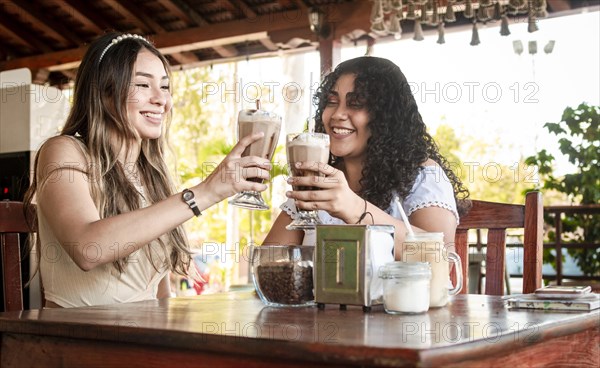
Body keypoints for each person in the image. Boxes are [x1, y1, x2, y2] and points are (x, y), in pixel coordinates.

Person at [23, 32, 271, 308]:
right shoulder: (64, 151)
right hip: (78, 339)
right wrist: (205, 192)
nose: (160, 100)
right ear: (103, 92)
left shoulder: (151, 174)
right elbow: (88, 249)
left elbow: (160, 292)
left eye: (165, 87)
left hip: (142, 334)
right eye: (143, 84)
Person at [263, 56, 470, 258]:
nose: (337, 114)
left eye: (356, 103)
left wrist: (353, 208)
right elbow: (267, 263)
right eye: (332, 101)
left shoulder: (424, 177)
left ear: (386, 117)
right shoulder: (317, 181)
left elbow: (441, 258)